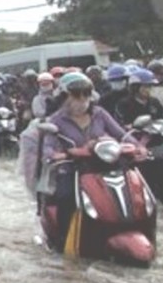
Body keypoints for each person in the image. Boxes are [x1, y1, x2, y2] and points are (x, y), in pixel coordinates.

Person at [41, 73, 141, 251]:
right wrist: (61, 154)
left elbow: (120, 134)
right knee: (66, 198)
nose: (81, 100)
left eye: (85, 94)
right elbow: (47, 148)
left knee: (134, 192)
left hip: (104, 165)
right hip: (73, 168)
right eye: (76, 95)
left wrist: (138, 147)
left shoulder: (100, 113)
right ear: (64, 97)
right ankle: (63, 242)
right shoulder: (56, 120)